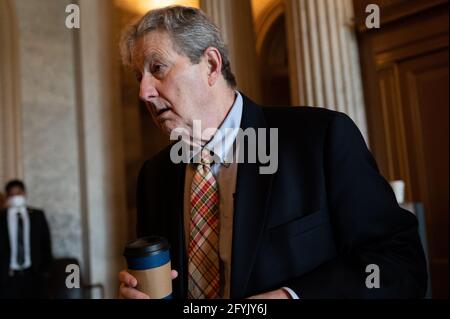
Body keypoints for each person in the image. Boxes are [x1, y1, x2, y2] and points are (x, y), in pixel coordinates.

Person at [118, 6, 427, 299]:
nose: (144, 92)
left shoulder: (319, 139)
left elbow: (399, 263)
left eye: (157, 69)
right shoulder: (155, 176)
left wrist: (292, 296)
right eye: (139, 77)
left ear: (211, 65)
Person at [0, 180, 53, 298]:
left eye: (18, 193)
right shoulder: (1, 217)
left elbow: (46, 243)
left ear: (24, 193)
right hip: (8, 276)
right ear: (7, 197)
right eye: (12, 194)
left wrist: (45, 271)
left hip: (33, 275)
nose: (15, 197)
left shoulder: (37, 215)